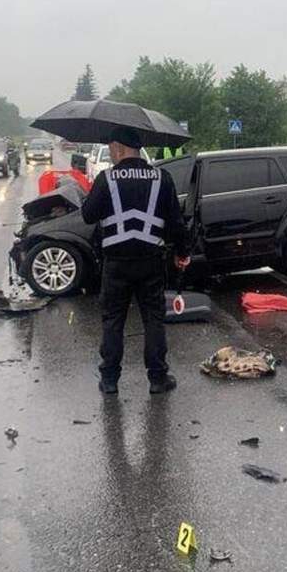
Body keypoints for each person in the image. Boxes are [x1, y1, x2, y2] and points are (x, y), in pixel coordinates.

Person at [81, 127, 190, 396]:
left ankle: (109, 380)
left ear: (119, 148)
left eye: (111, 148)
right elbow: (175, 222)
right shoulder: (161, 178)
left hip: (116, 264)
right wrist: (182, 252)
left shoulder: (107, 178)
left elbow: (88, 215)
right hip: (151, 262)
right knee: (153, 320)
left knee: (113, 320)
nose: (111, 153)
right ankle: (158, 379)